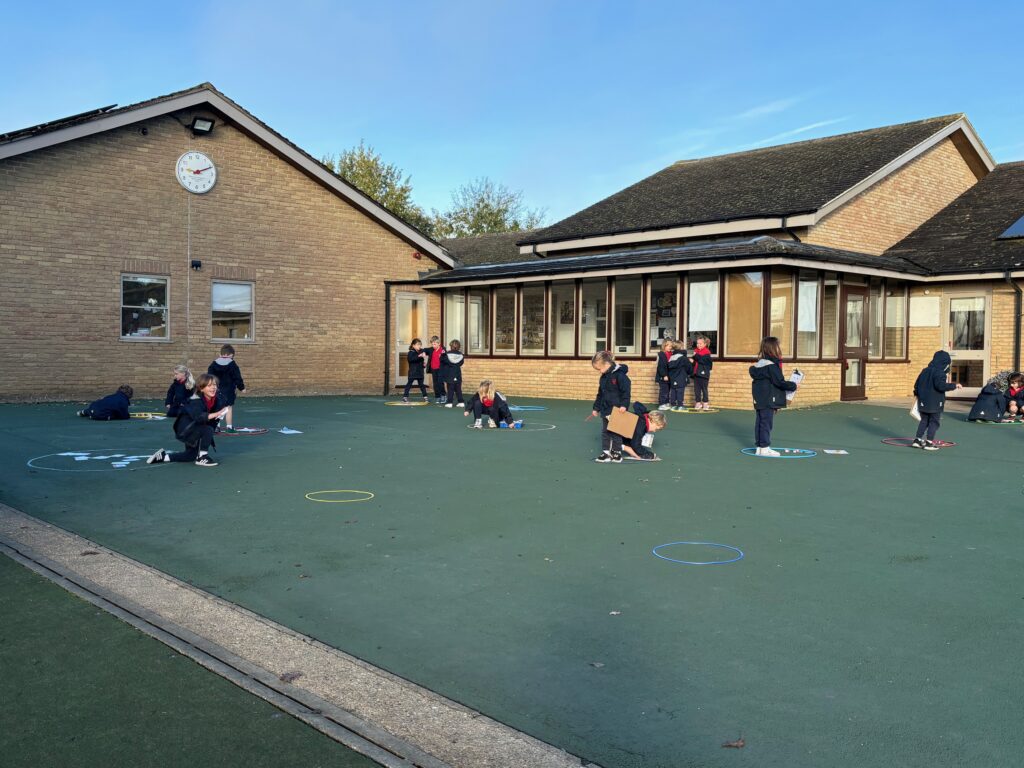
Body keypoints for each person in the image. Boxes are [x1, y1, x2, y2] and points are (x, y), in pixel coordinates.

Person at [147, 373, 228, 467]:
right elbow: (199, 417)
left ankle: (162, 457)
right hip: (186, 428)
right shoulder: (195, 400)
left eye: (214, 385)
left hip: (197, 427)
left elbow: (220, 408)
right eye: (209, 385)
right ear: (201, 388)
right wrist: (217, 414)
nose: (213, 387)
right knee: (208, 429)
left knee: (190, 455)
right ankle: (202, 457)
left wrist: (220, 413)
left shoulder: (217, 399)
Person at [749, 336, 798, 456]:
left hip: (760, 398)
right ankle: (764, 447)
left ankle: (760, 447)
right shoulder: (772, 366)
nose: (779, 349)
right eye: (778, 347)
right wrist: (793, 385)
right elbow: (779, 382)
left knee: (760, 421)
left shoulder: (759, 364)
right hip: (769, 398)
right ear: (773, 349)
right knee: (766, 423)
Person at [912, 350, 962, 449]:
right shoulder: (940, 373)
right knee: (934, 422)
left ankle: (917, 440)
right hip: (935, 402)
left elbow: (917, 384)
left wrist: (917, 395)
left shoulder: (925, 370)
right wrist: (954, 385)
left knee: (924, 420)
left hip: (923, 401)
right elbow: (941, 386)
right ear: (945, 363)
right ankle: (929, 442)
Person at [591, 350, 631, 463]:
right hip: (605, 408)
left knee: (616, 431)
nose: (599, 372)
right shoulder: (603, 377)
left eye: (599, 369)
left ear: (606, 364)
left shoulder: (620, 375)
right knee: (605, 431)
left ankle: (616, 452)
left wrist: (624, 405)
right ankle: (606, 453)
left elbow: (626, 392)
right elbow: (600, 394)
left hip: (617, 409)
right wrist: (596, 408)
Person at [208, 344, 245, 433]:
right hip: (228, 390)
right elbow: (237, 377)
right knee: (228, 408)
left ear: (220, 354)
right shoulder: (232, 364)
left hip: (216, 390)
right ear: (231, 355)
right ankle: (229, 427)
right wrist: (242, 387)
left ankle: (216, 427)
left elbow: (209, 376)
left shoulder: (213, 364)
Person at [667, 341, 691, 412]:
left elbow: (669, 367)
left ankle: (673, 405)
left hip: (673, 377)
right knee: (680, 391)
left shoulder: (671, 357)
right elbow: (689, 367)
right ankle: (680, 405)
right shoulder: (683, 358)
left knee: (673, 391)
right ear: (681, 347)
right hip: (681, 377)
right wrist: (690, 373)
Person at [402, 338, 429, 402]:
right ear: (413, 345)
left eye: (420, 345)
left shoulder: (421, 351)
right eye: (417, 345)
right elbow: (411, 359)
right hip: (413, 372)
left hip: (420, 372)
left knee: (422, 385)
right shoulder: (411, 352)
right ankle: (405, 397)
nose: (419, 346)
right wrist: (419, 356)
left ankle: (425, 397)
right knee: (409, 384)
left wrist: (423, 365)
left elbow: (421, 361)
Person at [691, 335, 713, 410]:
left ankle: (705, 403)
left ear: (705, 344)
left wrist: (695, 355)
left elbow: (702, 360)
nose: (698, 345)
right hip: (696, 373)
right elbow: (695, 362)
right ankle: (698, 403)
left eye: (700, 343)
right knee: (697, 389)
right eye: (697, 343)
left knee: (704, 389)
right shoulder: (696, 352)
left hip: (704, 374)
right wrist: (692, 361)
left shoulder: (707, 353)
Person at [442, 339, 466, 408]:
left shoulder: (447, 354)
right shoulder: (461, 355)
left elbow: (443, 361)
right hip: (457, 374)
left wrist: (443, 355)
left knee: (450, 389)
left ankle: (449, 402)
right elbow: (461, 363)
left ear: (451, 346)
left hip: (450, 374)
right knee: (458, 389)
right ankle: (461, 402)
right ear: (458, 347)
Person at [654, 340, 674, 410]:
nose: (670, 347)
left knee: (668, 390)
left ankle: (666, 403)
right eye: (668, 346)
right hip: (663, 376)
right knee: (664, 390)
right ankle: (662, 404)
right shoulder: (661, 354)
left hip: (669, 376)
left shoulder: (671, 354)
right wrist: (664, 375)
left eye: (671, 346)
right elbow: (660, 367)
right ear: (664, 346)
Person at [426, 336, 447, 404]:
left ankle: (443, 395)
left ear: (439, 343)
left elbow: (445, 359)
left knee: (440, 383)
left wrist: (442, 356)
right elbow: (424, 350)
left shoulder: (442, 350)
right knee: (435, 383)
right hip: (433, 369)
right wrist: (422, 352)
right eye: (432, 344)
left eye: (434, 344)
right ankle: (438, 396)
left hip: (440, 369)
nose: (433, 346)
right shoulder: (431, 350)